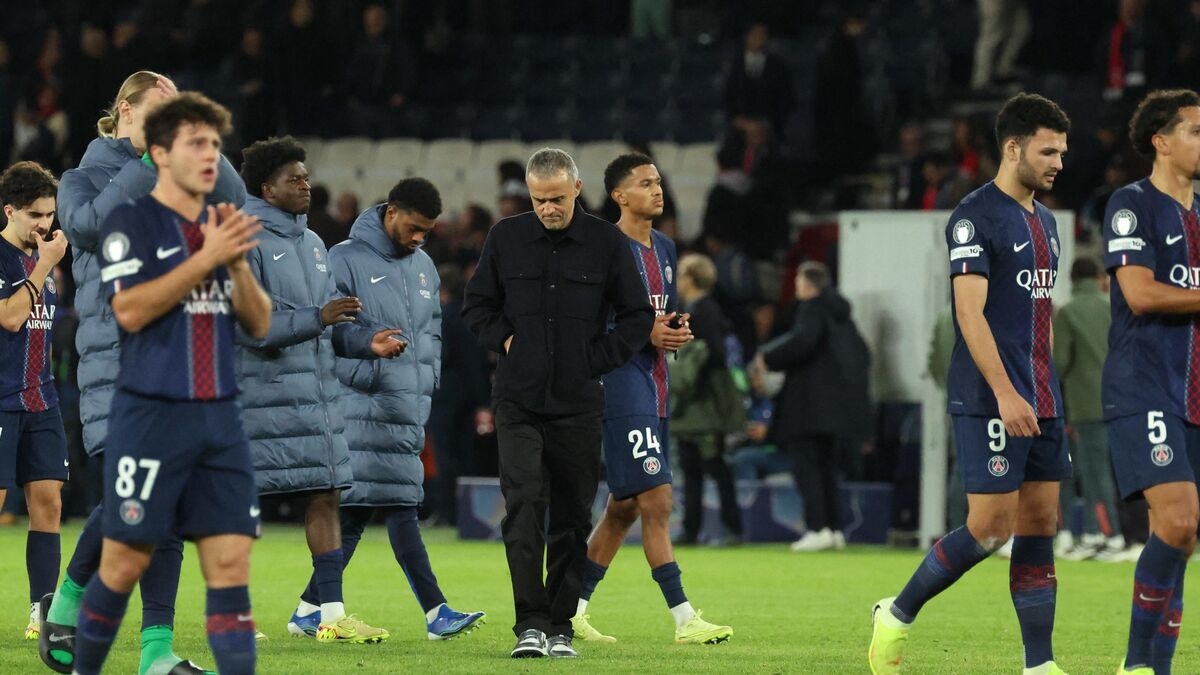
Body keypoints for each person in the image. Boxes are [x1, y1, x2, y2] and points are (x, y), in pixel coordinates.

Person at [42, 70, 246, 675]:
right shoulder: (83, 178)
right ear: (125, 112)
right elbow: (90, 227)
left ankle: (155, 652)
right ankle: (70, 602)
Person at [868, 93, 1072, 675]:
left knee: (1040, 525)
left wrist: (1047, 392)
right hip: (989, 396)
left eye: (1062, 151)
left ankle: (1040, 664)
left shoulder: (1047, 221)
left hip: (1041, 395)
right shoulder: (974, 216)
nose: (1059, 162)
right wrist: (1008, 392)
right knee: (989, 529)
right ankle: (897, 613)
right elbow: (969, 312)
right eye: (1048, 150)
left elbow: (1041, 312)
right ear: (1013, 148)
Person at [462, 148, 654, 659]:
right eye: (539, 199)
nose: (548, 207)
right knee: (524, 507)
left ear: (576, 189)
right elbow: (477, 305)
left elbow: (636, 315)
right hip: (519, 400)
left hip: (578, 402)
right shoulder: (505, 237)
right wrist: (506, 341)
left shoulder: (606, 242)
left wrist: (597, 359)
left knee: (571, 516)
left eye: (557, 198)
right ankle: (530, 623)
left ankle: (561, 627)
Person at [291, 178, 486, 642]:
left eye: (428, 232)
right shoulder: (343, 259)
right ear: (392, 212)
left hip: (406, 405)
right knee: (401, 505)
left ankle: (307, 609)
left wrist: (427, 379)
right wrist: (365, 371)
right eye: (415, 228)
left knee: (358, 514)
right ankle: (436, 611)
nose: (421, 238)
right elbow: (328, 331)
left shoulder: (423, 266)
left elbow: (432, 331)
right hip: (362, 405)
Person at [235, 136, 397, 643]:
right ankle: (236, 616)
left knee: (326, 495)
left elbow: (331, 321)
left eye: (307, 177)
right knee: (241, 508)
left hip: (317, 397)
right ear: (268, 188)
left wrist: (367, 341)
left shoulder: (312, 244)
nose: (307, 185)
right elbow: (253, 328)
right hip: (261, 397)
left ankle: (329, 615)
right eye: (295, 179)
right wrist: (317, 317)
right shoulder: (245, 241)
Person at [568, 154, 732, 646]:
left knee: (623, 509)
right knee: (658, 499)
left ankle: (570, 610)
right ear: (620, 195)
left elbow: (658, 315)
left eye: (658, 181)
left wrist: (675, 331)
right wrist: (646, 334)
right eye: (645, 183)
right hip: (620, 382)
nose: (657, 190)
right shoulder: (602, 247)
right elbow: (593, 322)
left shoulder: (664, 246)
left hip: (656, 382)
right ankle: (684, 618)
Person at [1102, 88, 1200, 675]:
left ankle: (1156, 671)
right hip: (1143, 385)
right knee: (1181, 519)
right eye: (1194, 129)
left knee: (1181, 537)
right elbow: (1138, 293)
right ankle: (1136, 665)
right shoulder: (1131, 204)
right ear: (1161, 142)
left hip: (1193, 391)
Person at [0, 161, 68, 640]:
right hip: (0, 398)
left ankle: (41, 612)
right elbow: (9, 318)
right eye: (34, 214)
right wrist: (45, 267)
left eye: (50, 213)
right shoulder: (11, 259)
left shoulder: (45, 258)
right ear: (10, 211)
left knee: (48, 502)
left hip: (42, 399)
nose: (45, 224)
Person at [756, 262, 859, 552]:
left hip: (809, 407)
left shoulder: (812, 308)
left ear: (807, 285)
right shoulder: (842, 315)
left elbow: (802, 341)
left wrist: (768, 356)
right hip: (837, 407)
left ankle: (817, 527)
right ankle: (835, 528)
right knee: (828, 467)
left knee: (807, 466)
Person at [668, 252, 745, 548]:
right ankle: (692, 529)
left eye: (681, 276)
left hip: (703, 404)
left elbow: (707, 357)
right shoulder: (702, 310)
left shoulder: (703, 312)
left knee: (713, 464)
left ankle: (730, 528)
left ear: (691, 279)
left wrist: (685, 386)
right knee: (694, 466)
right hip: (695, 405)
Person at [1053, 257, 1124, 560]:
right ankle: (1099, 534)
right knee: (1108, 471)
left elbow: (1060, 362)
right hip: (1119, 401)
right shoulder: (1113, 307)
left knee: (1095, 473)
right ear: (1097, 277)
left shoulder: (1068, 312)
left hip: (1085, 405)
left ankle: (1110, 536)